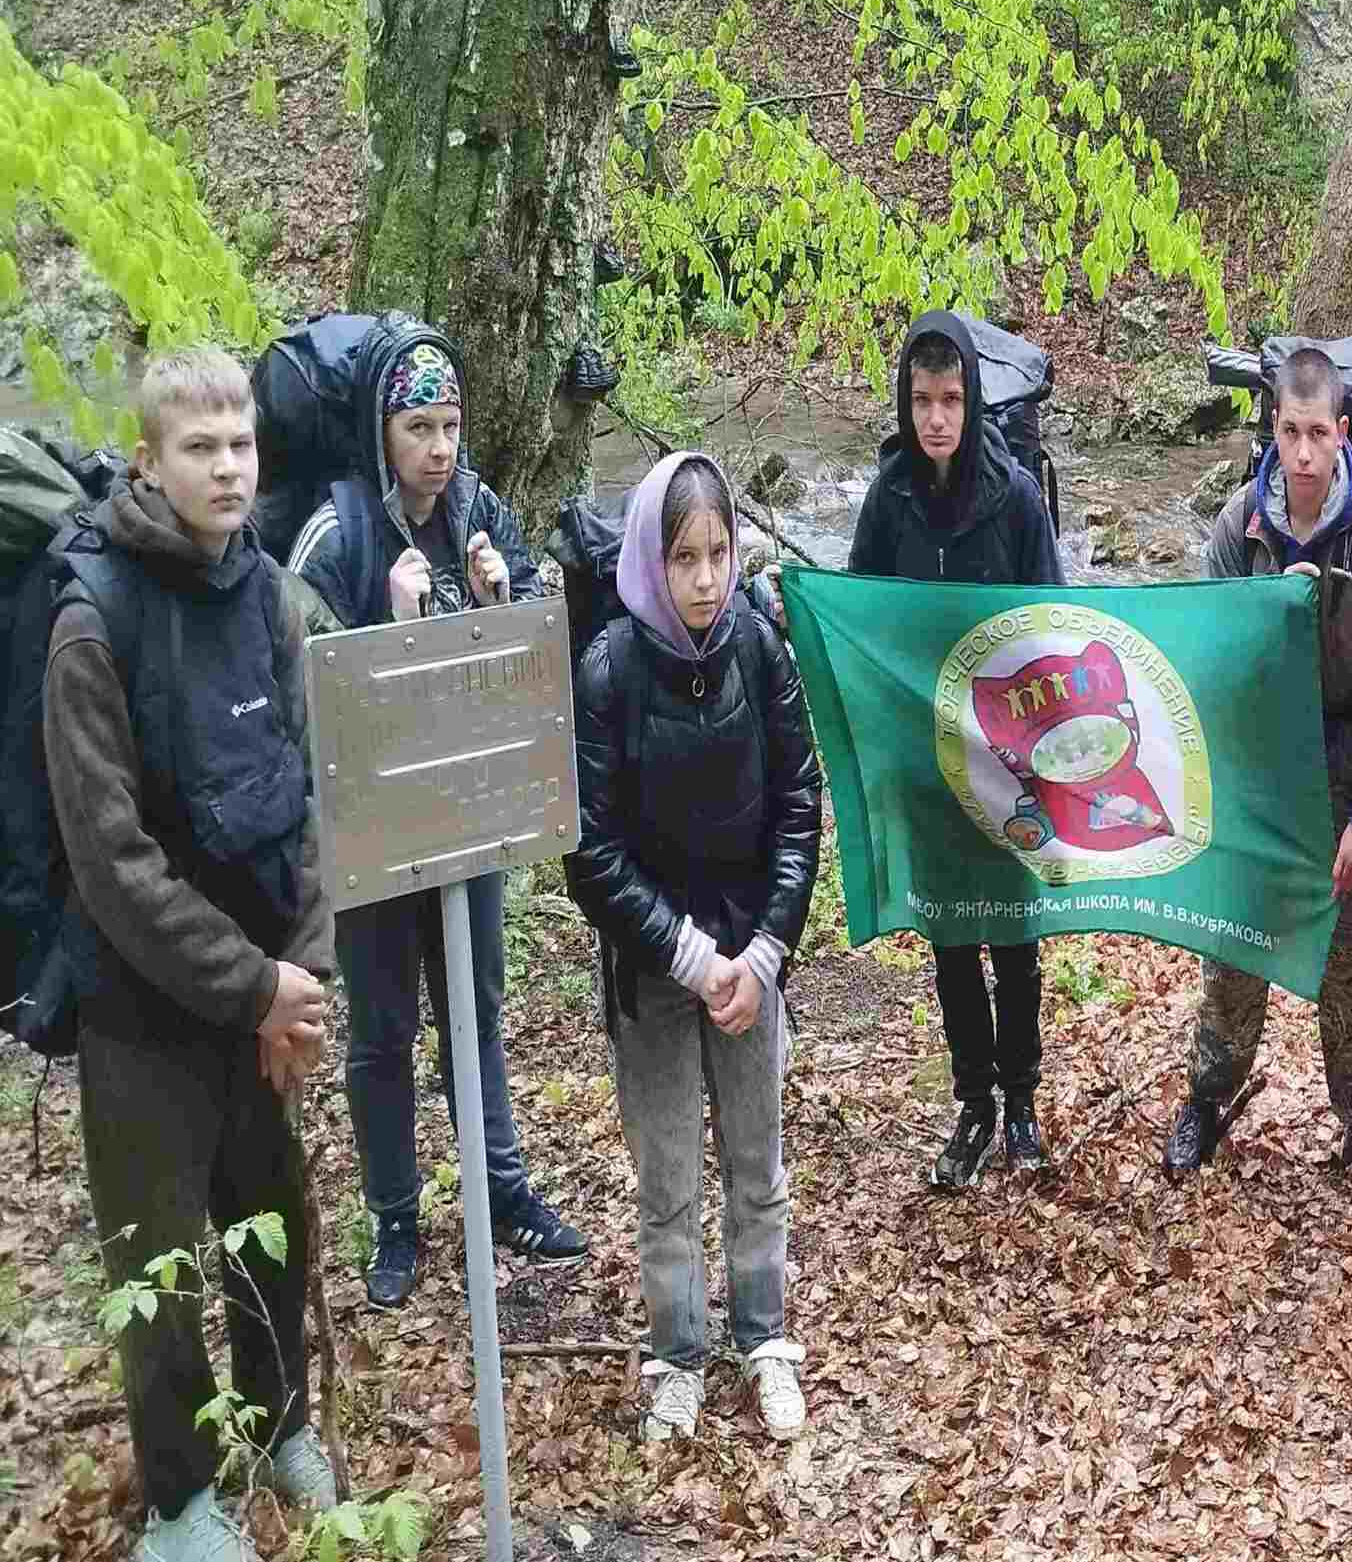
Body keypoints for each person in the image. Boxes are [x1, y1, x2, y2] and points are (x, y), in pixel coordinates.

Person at [50, 350, 340, 1560]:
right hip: (140, 1013)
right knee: (160, 1260)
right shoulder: (91, 622)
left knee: (273, 1219)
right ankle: (180, 1503)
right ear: (147, 462)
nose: (228, 469)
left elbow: (306, 794)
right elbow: (110, 861)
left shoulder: (268, 595)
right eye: (199, 448)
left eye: (241, 444)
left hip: (264, 1001)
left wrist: (300, 982)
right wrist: (252, 985)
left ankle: (282, 1425)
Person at [284, 334, 585, 1309]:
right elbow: (302, 689)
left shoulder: (480, 512)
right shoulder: (336, 535)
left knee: (475, 1008)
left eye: (451, 425)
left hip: (468, 811)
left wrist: (502, 597)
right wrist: (387, 624)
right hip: (374, 828)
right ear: (383, 430)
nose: (441, 448)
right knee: (382, 1028)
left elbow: (535, 657)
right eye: (420, 427)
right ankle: (395, 1218)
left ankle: (501, 1188)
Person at [564, 452, 823, 1443]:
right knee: (669, 1180)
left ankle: (764, 1335)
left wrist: (762, 955)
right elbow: (590, 851)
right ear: (650, 559)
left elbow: (798, 805)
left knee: (758, 1164)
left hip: (749, 959)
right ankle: (676, 1351)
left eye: (719, 554)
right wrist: (687, 954)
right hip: (656, 969)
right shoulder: (610, 670)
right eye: (684, 558)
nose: (706, 579)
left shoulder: (758, 647)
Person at [1167, 347, 1352, 1191]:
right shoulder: (1240, 527)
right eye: (1290, 432)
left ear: (1342, 433)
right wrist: (1273, 618)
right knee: (1233, 950)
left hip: (1342, 765)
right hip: (1257, 772)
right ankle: (1207, 1096)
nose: (1303, 454)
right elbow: (1210, 666)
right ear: (1272, 427)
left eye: (1319, 434)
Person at [847, 311, 1065, 1185]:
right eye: (921, 401)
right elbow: (859, 614)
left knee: (1012, 934)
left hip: (1008, 757)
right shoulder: (888, 498)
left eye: (950, 400)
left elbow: (1053, 616)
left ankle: (1022, 1102)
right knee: (949, 939)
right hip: (925, 757)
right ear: (905, 404)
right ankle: (973, 1102)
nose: (935, 418)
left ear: (971, 401)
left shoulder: (1014, 497)